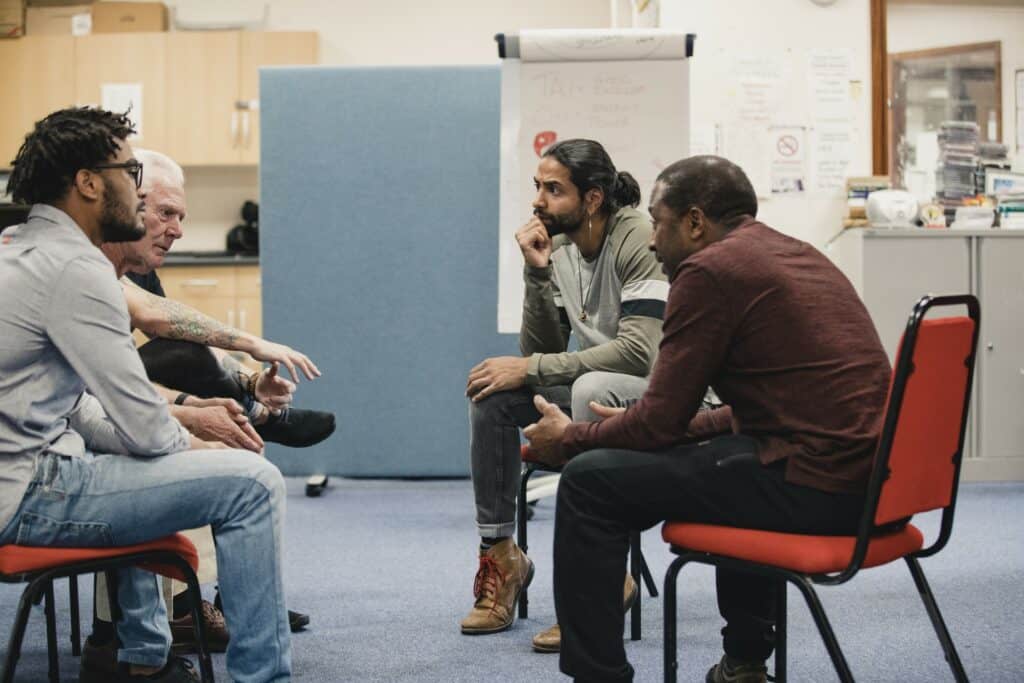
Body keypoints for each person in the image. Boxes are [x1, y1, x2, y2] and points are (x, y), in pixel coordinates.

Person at [524, 155, 892, 683]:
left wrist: (573, 438)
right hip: (870, 485)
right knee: (727, 463)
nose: (652, 240)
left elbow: (658, 426)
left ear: (695, 222)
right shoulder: (797, 254)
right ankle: (744, 664)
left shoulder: (710, 270)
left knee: (586, 483)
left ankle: (597, 675)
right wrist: (627, 424)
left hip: (816, 489)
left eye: (658, 221)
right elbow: (743, 414)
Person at [0, 106, 292, 683]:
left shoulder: (21, 248)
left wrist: (179, 428)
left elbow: (81, 407)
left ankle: (142, 660)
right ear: (87, 182)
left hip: (29, 478)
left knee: (133, 456)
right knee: (254, 484)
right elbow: (146, 432)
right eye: (130, 173)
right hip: (32, 495)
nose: (137, 191)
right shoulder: (77, 271)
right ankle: (263, 678)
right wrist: (198, 442)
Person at [81, 148, 322, 671]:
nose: (177, 229)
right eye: (164, 213)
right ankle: (154, 644)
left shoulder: (92, 265)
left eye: (181, 216)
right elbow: (142, 345)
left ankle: (140, 651)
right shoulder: (78, 268)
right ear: (123, 200)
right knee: (246, 477)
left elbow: (114, 379)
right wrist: (197, 418)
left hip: (77, 445)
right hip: (51, 477)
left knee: (197, 440)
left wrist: (199, 409)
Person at [461, 139, 668, 651]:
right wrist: (536, 274)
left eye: (554, 189)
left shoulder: (637, 237)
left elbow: (640, 354)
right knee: (491, 394)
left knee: (590, 387)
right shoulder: (561, 246)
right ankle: (502, 556)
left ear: (592, 199)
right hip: (597, 385)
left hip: (664, 393)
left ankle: (600, 577)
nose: (538, 200)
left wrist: (532, 366)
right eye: (538, 186)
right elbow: (543, 349)